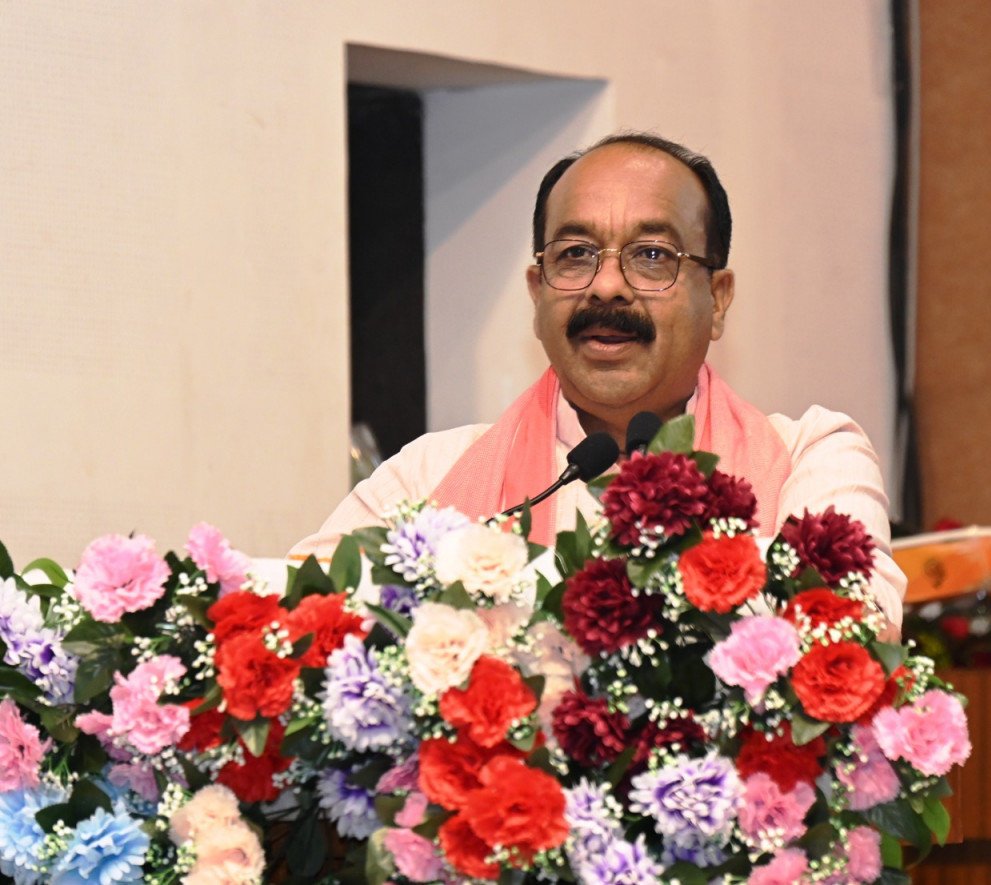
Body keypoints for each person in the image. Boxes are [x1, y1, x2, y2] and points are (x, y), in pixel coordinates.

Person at [292, 132, 906, 628]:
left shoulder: (811, 458)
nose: (606, 287)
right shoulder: (426, 478)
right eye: (575, 255)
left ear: (718, 299)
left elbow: (853, 634)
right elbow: (295, 622)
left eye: (652, 256)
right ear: (537, 295)